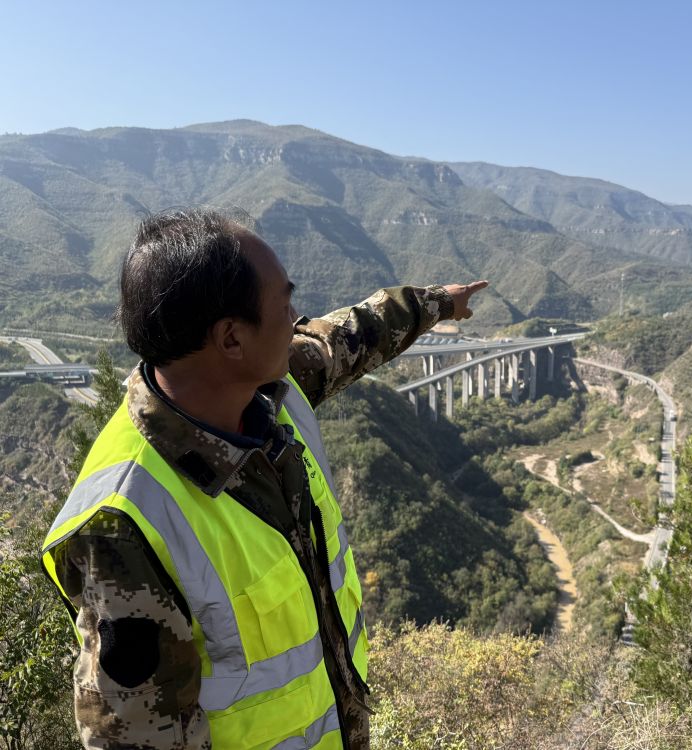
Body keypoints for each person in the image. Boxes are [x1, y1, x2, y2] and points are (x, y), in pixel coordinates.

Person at [40, 208, 488, 750]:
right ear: (232, 338)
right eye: (285, 303)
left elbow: (346, 335)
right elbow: (137, 735)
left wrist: (437, 303)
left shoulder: (262, 388)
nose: (298, 318)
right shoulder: (124, 523)